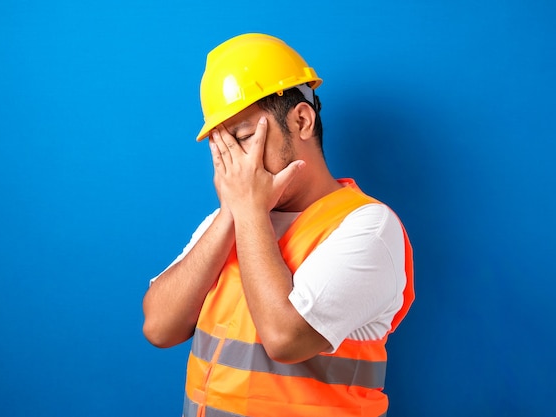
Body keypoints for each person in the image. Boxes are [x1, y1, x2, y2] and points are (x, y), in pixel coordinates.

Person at [142, 33, 415, 417]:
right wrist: (233, 213)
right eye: (224, 147)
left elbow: (286, 339)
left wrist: (248, 210)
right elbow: (158, 327)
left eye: (245, 138)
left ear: (302, 120)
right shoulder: (230, 220)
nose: (236, 163)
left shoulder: (368, 228)